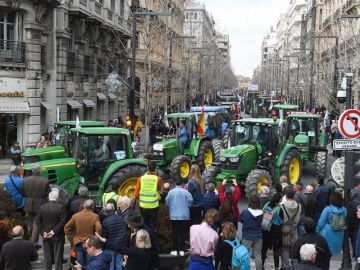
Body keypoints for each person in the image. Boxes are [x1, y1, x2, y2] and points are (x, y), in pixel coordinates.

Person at [64, 199, 102, 266]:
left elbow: (66, 228)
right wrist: (95, 238)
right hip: (90, 242)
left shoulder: (76, 216)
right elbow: (99, 228)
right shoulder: (95, 216)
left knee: (79, 263)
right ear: (92, 207)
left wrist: (72, 239)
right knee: (90, 263)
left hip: (79, 242)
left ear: (84, 206)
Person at [36, 189, 67, 270]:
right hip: (58, 235)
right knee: (58, 256)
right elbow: (63, 221)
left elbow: (38, 221)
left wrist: (43, 233)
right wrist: (53, 231)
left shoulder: (42, 207)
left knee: (47, 257)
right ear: (57, 198)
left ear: (49, 198)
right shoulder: (61, 207)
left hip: (46, 235)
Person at [23, 164, 51, 248]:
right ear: (40, 171)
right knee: (36, 223)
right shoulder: (44, 181)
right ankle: (33, 243)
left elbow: (23, 191)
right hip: (40, 204)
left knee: (31, 222)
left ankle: (31, 240)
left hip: (28, 203)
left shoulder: (26, 180)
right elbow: (48, 193)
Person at [166, 178, 193, 256]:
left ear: (174, 183)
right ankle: (182, 250)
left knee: (175, 233)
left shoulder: (171, 192)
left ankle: (175, 249)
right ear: (182, 184)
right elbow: (190, 202)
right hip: (184, 216)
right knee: (183, 233)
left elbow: (167, 202)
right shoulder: (186, 192)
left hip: (174, 215)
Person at [316, 190, 347, 256]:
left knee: (325, 253)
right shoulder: (344, 210)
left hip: (327, 232)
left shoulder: (328, 209)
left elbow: (321, 223)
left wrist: (317, 231)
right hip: (340, 233)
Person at [134, 161, 162, 232]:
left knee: (144, 223)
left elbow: (136, 194)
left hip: (143, 206)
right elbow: (158, 189)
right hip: (154, 206)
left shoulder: (141, 178)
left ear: (147, 167)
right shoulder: (158, 179)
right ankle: (152, 238)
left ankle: (145, 237)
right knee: (152, 223)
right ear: (155, 168)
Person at [101, 203, 127, 270]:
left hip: (110, 247)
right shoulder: (122, 219)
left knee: (110, 266)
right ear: (114, 209)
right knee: (119, 266)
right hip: (120, 246)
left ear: (106, 211)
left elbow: (104, 236)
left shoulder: (105, 222)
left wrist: (103, 247)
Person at [280, 187, 301, 270]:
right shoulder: (298, 206)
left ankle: (285, 266)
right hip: (294, 228)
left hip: (284, 229)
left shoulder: (282, 206)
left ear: (286, 196)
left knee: (285, 248)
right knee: (294, 247)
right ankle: (294, 265)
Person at [240, 194, 263, 270]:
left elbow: (242, 221)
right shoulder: (261, 213)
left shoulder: (245, 212)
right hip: (258, 236)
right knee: (258, 255)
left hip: (247, 236)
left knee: (244, 255)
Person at [261, 192, 283, 270]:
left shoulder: (267, 205)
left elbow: (262, 212)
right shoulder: (279, 208)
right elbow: (281, 220)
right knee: (276, 249)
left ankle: (262, 265)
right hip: (275, 230)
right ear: (279, 200)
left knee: (264, 248)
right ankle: (276, 267)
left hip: (265, 229)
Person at [350, 185, 360, 257]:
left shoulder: (348, 202)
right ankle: (355, 255)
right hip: (356, 224)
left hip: (349, 224)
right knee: (355, 240)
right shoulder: (357, 204)